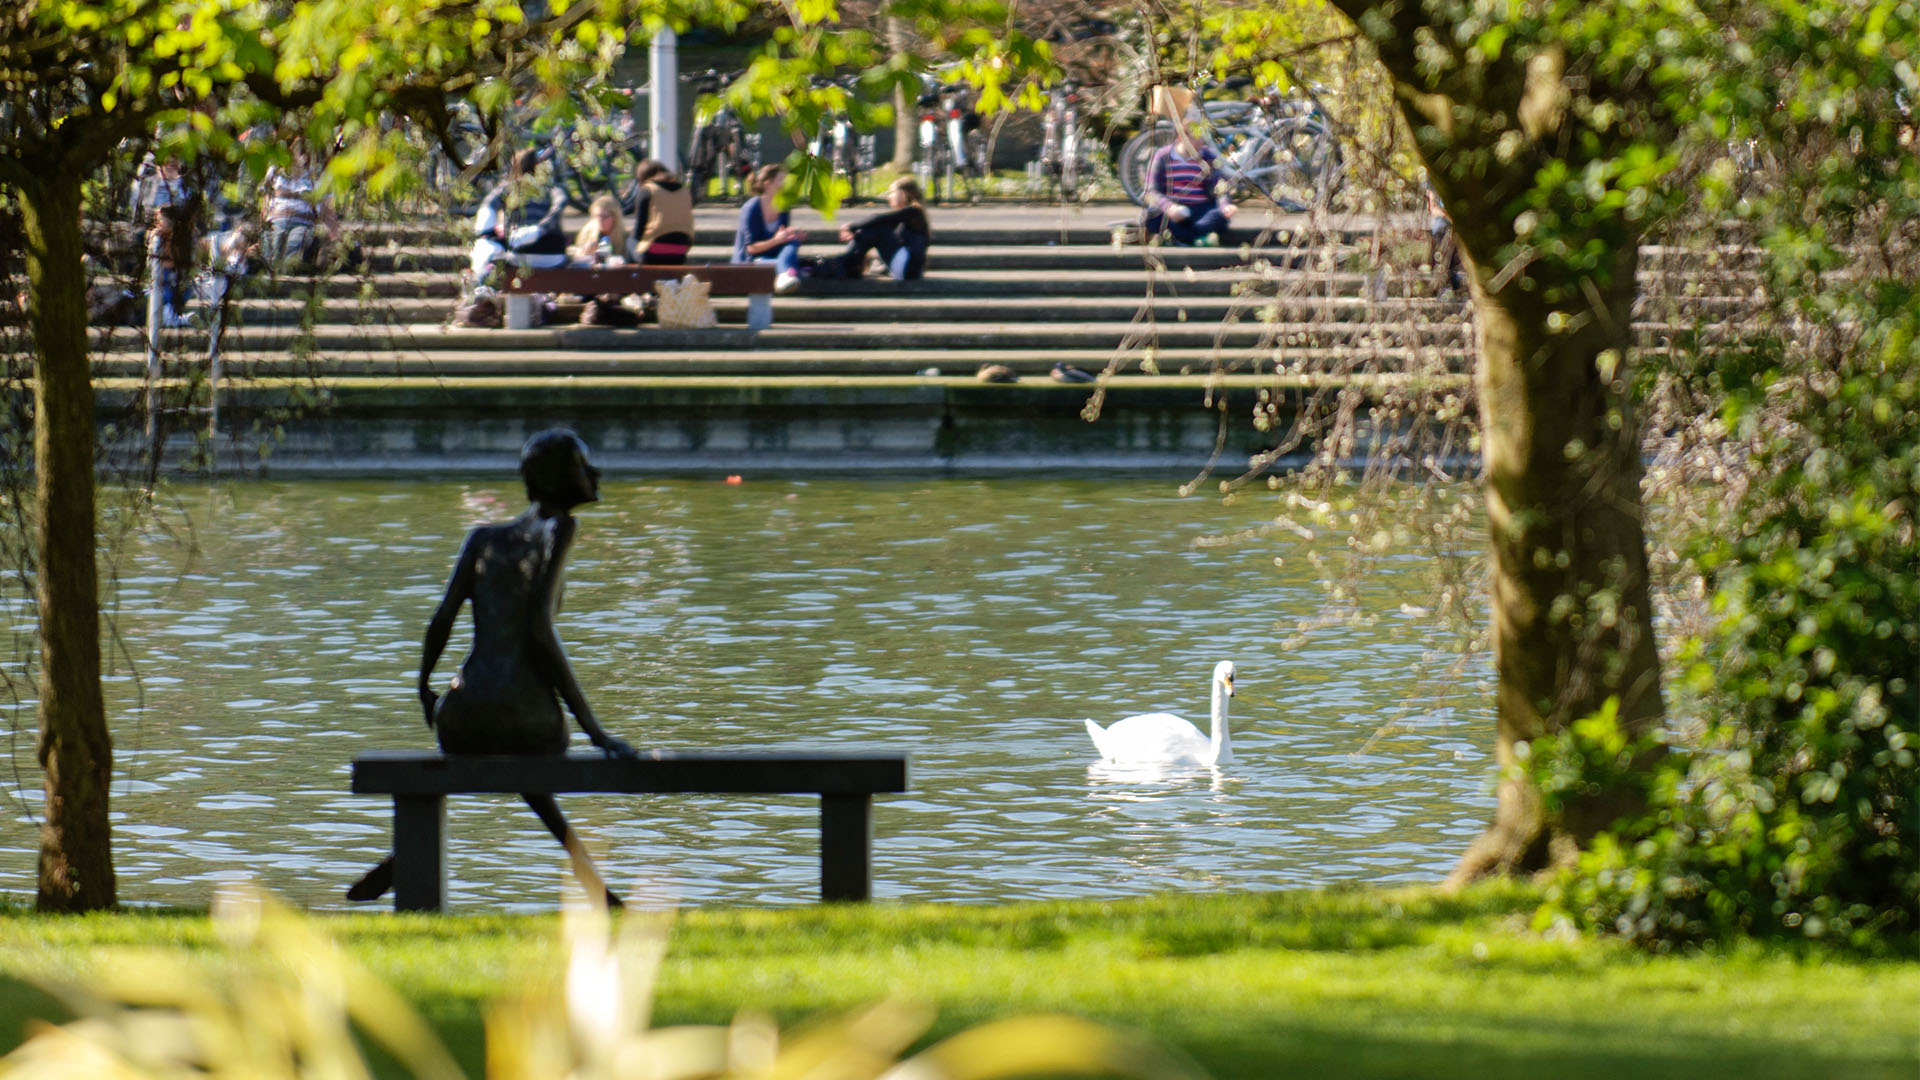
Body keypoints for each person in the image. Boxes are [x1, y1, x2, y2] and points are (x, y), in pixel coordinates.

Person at [346, 429, 634, 908]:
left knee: (519, 773)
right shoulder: (559, 528)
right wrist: (595, 730)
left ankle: (407, 857)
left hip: (461, 713)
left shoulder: (481, 537)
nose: (595, 473)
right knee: (537, 760)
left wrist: (424, 688)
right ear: (559, 478)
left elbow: (441, 619)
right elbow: (540, 631)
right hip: (528, 716)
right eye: (584, 464)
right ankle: (598, 891)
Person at [1141, 97, 1236, 247]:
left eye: (1201, 139)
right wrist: (1169, 207)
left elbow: (1220, 185)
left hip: (1201, 209)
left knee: (1219, 217)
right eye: (1195, 139)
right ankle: (1194, 238)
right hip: (1174, 207)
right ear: (1181, 138)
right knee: (1150, 216)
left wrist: (1225, 205)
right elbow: (1152, 190)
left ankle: (1180, 238)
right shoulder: (1163, 156)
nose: (1200, 143)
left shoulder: (1207, 156)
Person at [469, 147, 571, 280]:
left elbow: (488, 204)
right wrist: (541, 228)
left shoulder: (509, 187)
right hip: (552, 254)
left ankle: (479, 284)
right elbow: (561, 202)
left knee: (487, 248)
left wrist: (485, 230)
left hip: (519, 254)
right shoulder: (551, 188)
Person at [832, 176, 930, 280]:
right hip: (910, 269)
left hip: (908, 269)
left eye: (892, 192)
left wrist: (851, 227)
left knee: (878, 229)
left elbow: (877, 218)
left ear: (904, 193)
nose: (889, 197)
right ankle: (847, 264)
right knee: (873, 229)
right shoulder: (910, 215)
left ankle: (845, 265)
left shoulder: (913, 211)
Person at [259, 142, 338, 269]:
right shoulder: (275, 173)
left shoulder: (316, 177)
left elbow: (327, 209)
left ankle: (286, 272)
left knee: (294, 246)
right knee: (274, 247)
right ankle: (275, 271)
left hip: (302, 222)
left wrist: (335, 237)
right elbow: (265, 198)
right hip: (277, 221)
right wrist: (263, 220)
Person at [732, 163, 804, 294]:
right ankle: (786, 271)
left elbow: (783, 240)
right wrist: (776, 240)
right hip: (750, 260)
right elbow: (751, 248)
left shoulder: (783, 207)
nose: (784, 185)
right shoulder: (751, 208)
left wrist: (791, 236)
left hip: (772, 256)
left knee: (793, 242)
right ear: (767, 184)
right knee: (791, 263)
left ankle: (784, 273)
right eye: (780, 181)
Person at [627, 159, 693, 265]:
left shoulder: (647, 190)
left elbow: (638, 231)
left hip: (652, 254)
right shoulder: (684, 191)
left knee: (630, 241)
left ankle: (633, 279)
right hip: (680, 253)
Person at [569, 194, 628, 266]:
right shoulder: (588, 232)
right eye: (597, 216)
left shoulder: (623, 236)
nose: (600, 220)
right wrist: (584, 253)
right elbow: (576, 258)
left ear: (614, 217)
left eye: (604, 216)